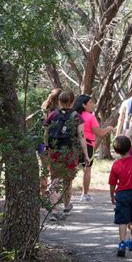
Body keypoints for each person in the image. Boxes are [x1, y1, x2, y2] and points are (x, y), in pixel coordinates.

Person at [44, 91, 90, 221]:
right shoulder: (77, 117)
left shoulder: (52, 115)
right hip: (70, 152)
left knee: (55, 179)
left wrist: (47, 147)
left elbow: (46, 133)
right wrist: (86, 155)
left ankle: (53, 209)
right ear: (72, 102)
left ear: (59, 101)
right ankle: (66, 205)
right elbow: (81, 137)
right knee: (67, 180)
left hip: (55, 151)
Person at [73, 95, 114, 202]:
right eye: (90, 103)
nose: (92, 105)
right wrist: (108, 128)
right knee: (87, 169)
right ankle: (84, 194)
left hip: (73, 145)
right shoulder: (90, 117)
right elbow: (99, 133)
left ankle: (65, 194)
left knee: (71, 169)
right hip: (88, 145)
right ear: (84, 105)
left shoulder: (74, 115)